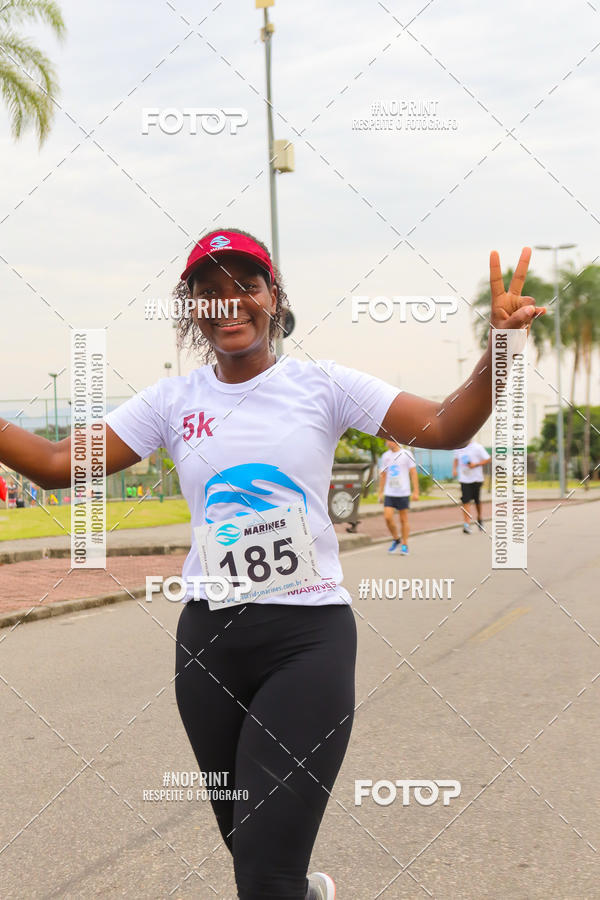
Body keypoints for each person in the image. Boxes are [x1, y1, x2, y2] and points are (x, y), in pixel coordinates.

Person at [0, 229, 543, 899]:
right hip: (208, 648)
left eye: (245, 287)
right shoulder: (174, 402)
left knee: (265, 875)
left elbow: (444, 427)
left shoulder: (324, 386)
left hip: (306, 638)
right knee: (252, 852)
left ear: (273, 297)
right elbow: (57, 464)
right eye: (208, 293)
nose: (229, 304)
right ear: (191, 311)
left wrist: (500, 349)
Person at [378, 439, 419, 554]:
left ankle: (405, 544)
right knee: (387, 517)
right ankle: (396, 539)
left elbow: (413, 473)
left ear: (396, 441)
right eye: (386, 441)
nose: (387, 443)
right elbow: (383, 475)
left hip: (403, 492)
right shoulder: (385, 456)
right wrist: (380, 492)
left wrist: (416, 491)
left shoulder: (406, 454)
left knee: (403, 519)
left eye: (389, 440)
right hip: (390, 492)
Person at [452, 439, 491, 533]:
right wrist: (454, 469)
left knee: (477, 501)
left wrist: (476, 464)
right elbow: (456, 459)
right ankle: (466, 524)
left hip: (476, 479)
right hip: (464, 479)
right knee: (465, 500)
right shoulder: (458, 447)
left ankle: (480, 518)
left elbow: (488, 459)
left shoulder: (478, 447)